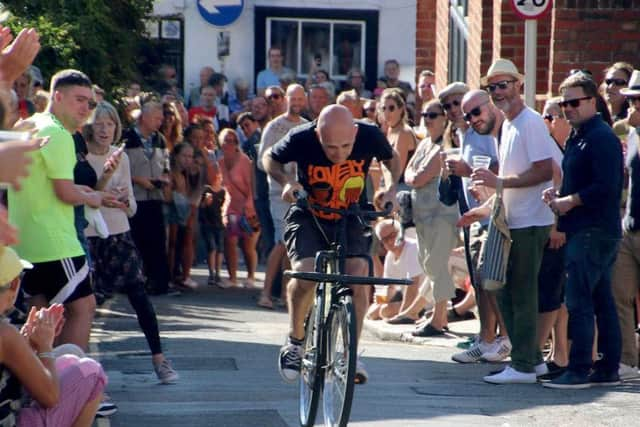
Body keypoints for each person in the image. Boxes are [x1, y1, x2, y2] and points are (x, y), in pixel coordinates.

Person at [264, 104, 401, 384]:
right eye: (330, 148)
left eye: (345, 146)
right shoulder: (301, 137)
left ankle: (350, 353)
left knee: (358, 275)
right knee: (305, 271)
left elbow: (392, 159)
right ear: (317, 135)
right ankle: (295, 342)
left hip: (351, 214)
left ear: (355, 132)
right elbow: (269, 158)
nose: (338, 154)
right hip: (309, 213)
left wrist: (392, 186)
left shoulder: (369, 135)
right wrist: (287, 182)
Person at [461, 58, 555, 384]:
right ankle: (532, 361)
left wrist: (497, 183)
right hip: (512, 220)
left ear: (519, 85)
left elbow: (546, 170)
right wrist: (487, 205)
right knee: (499, 285)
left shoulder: (529, 122)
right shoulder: (510, 124)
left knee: (519, 291)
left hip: (530, 221)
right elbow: (519, 174)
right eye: (493, 87)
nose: (499, 91)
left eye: (504, 84)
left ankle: (524, 363)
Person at [84, 101, 179, 384]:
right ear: (89, 126)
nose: (104, 129)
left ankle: (160, 360)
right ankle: (82, 369)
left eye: (109, 124)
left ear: (117, 127)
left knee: (139, 294)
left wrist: (125, 201)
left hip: (119, 234)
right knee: (87, 304)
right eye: (98, 124)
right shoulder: (80, 156)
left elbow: (133, 207)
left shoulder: (120, 156)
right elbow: (83, 199)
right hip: (90, 236)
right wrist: (103, 185)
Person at [8, 69, 104, 351]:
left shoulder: (32, 123)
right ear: (57, 97)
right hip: (54, 243)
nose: (86, 108)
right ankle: (73, 382)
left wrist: (85, 192)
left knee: (43, 317)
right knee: (83, 307)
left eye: (90, 103)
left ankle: (38, 385)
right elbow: (64, 192)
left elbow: (47, 186)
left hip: (26, 243)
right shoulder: (59, 133)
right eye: (79, 100)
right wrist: (92, 198)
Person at [541, 71, 624, 389]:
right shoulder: (580, 134)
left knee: (578, 301)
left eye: (575, 102)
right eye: (564, 104)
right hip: (587, 229)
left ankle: (579, 370)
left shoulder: (601, 136)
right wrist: (559, 197)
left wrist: (569, 202)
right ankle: (607, 368)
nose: (568, 109)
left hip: (594, 231)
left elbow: (607, 187)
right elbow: (581, 181)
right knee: (601, 299)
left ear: (593, 101)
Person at [0, 246, 107, 427]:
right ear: (14, 284)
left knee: (70, 351)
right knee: (92, 372)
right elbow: (49, 397)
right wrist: (44, 346)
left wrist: (26, 342)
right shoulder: (5, 334)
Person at [442, 88, 510, 363]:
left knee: (491, 280)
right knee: (479, 283)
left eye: (460, 105)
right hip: (473, 215)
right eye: (448, 106)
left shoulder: (491, 131)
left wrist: (466, 170)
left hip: (492, 215)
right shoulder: (467, 133)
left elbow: (501, 166)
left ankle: (505, 339)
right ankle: (486, 338)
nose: (456, 111)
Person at [404, 98, 459, 337]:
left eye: (433, 115)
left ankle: (439, 318)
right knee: (428, 264)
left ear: (445, 118)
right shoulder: (425, 143)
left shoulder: (444, 147)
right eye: (425, 113)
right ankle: (439, 315)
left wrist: (413, 175)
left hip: (442, 215)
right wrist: (413, 175)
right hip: (422, 216)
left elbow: (417, 178)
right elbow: (408, 171)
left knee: (436, 264)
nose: (427, 118)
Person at [256, 84, 308, 309]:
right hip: (278, 194)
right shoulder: (274, 127)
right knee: (282, 240)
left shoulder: (307, 126)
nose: (296, 102)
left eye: (299, 98)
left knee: (292, 243)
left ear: (304, 100)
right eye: (292, 98)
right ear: (286, 99)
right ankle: (265, 293)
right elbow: (262, 160)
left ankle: (288, 295)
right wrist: (285, 172)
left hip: (302, 193)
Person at [123, 101, 173, 296]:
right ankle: (135, 282)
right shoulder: (127, 138)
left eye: (161, 118)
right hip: (134, 198)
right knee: (136, 241)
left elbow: (166, 164)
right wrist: (138, 180)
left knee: (158, 241)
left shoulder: (159, 139)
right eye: (156, 118)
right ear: (144, 117)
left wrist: (165, 179)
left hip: (155, 197)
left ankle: (159, 283)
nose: (160, 122)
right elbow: (118, 168)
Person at [610, 69, 640, 381]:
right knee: (619, 294)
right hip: (629, 227)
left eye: (637, 101)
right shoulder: (631, 135)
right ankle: (628, 361)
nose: (631, 107)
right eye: (630, 100)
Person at [218, 129, 260, 288]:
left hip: (248, 207)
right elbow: (220, 185)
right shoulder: (220, 162)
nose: (229, 144)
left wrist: (250, 208)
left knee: (248, 245)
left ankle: (250, 276)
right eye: (226, 140)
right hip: (231, 208)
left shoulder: (244, 161)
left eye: (233, 140)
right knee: (230, 241)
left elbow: (251, 186)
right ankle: (232, 278)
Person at [373, 220, 428, 324]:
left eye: (392, 235)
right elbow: (390, 287)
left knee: (384, 311)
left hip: (425, 303)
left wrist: (403, 314)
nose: (389, 241)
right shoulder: (390, 255)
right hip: (409, 301)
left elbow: (413, 285)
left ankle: (412, 314)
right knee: (380, 312)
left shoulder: (413, 248)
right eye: (385, 239)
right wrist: (379, 304)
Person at [238, 112, 273, 263]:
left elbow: (252, 170)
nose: (245, 129)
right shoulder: (248, 143)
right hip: (257, 189)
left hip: (261, 189)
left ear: (255, 123)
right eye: (242, 127)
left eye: (247, 125)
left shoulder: (255, 141)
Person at [380, 88, 417, 189]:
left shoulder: (404, 132)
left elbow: (398, 170)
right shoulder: (391, 129)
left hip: (401, 187)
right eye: (384, 108)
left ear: (401, 109)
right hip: (390, 183)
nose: (387, 112)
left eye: (391, 108)